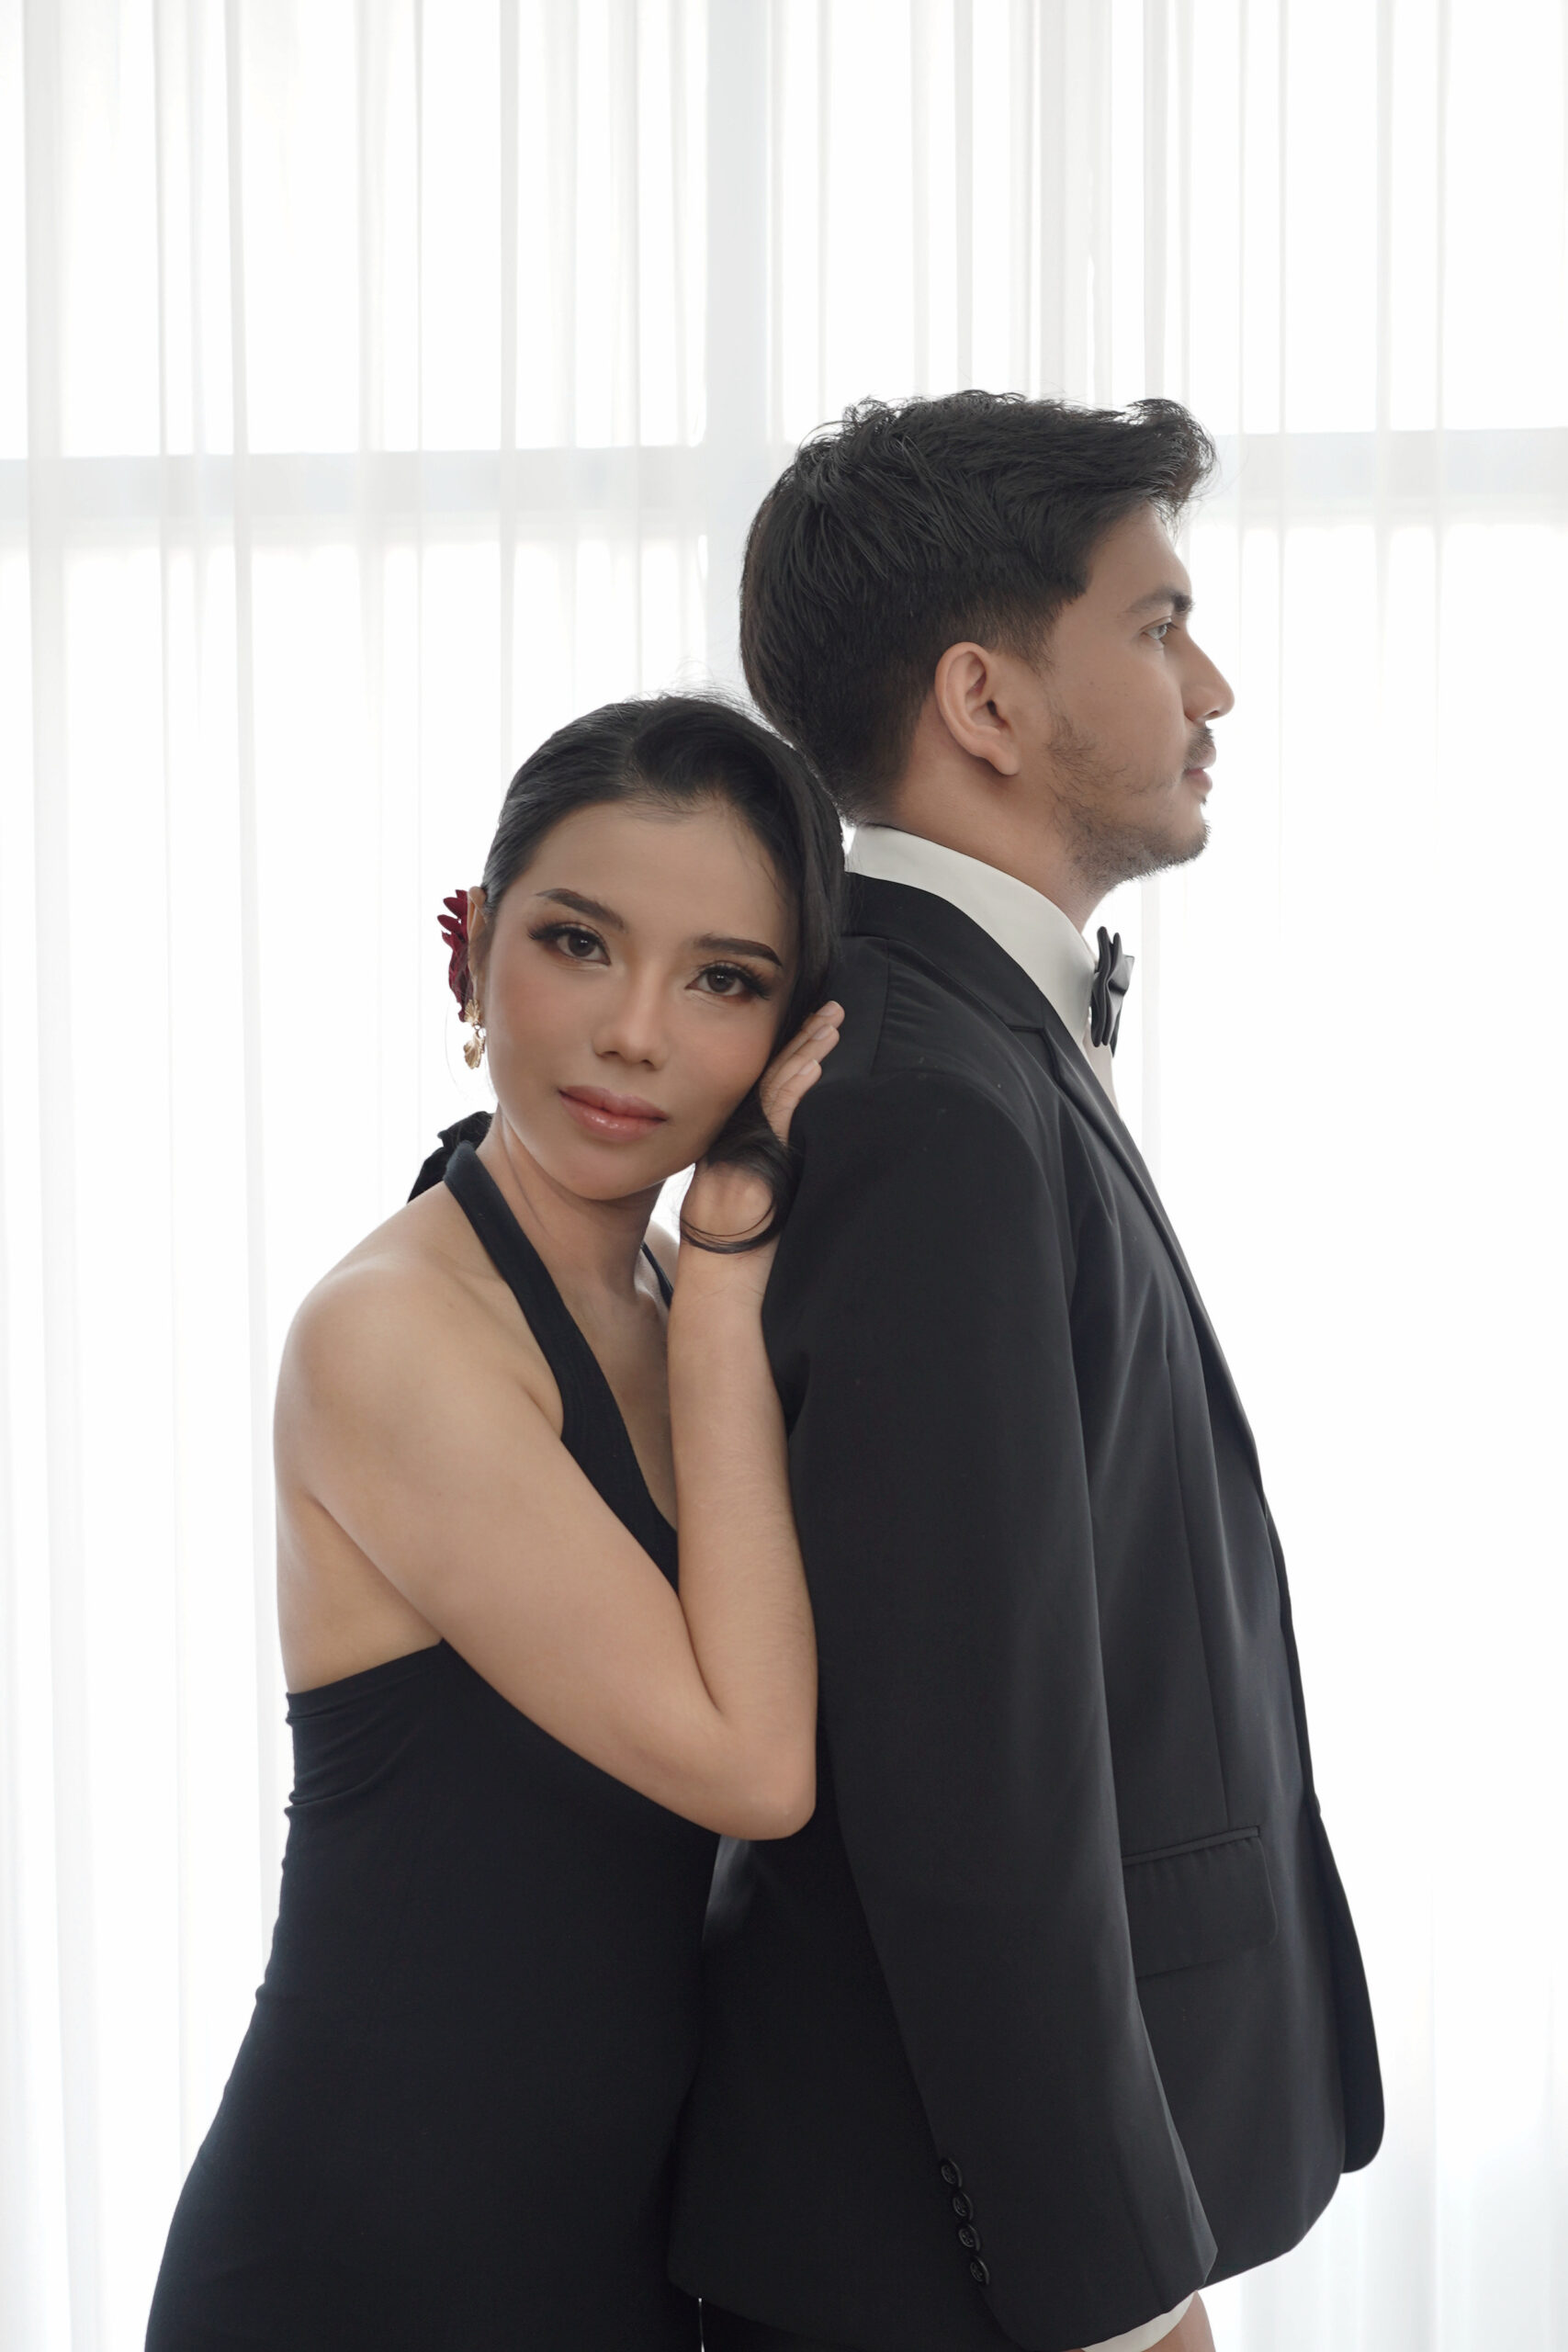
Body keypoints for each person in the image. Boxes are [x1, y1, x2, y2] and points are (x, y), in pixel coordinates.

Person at [674, 393, 1383, 2352]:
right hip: (947, 2262)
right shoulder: (921, 1097)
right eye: (1158, 626)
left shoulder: (955, 1039)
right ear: (983, 701)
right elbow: (969, 1775)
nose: (1210, 686)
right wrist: (1118, 2297)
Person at [145, 695, 845, 2351]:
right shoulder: (393, 1334)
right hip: (362, 2266)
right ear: (470, 962)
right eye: (578, 944)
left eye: (723, 979)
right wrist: (730, 1277)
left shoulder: (657, 1293)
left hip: (611, 2257)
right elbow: (756, 1770)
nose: (636, 1033)